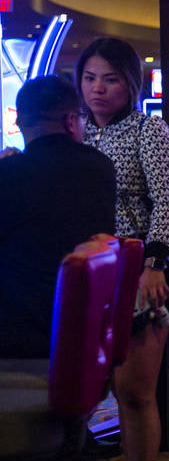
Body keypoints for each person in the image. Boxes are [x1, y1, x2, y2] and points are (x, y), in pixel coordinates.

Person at [74, 38, 169, 461]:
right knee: (103, 392)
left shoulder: (148, 129)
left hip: (139, 274)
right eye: (90, 77)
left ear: (131, 84)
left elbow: (168, 200)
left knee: (136, 392)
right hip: (86, 277)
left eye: (110, 79)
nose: (98, 88)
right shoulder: (75, 134)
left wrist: (155, 264)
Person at [0, 76, 116, 359]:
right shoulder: (101, 168)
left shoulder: (10, 174)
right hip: (86, 331)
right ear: (70, 121)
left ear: (20, 124)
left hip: (22, 341)